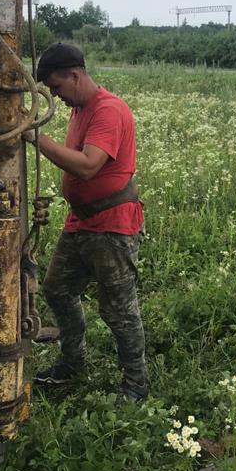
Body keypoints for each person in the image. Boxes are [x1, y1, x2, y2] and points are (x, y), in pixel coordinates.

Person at [25, 42, 148, 401]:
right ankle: (73, 361)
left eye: (57, 87)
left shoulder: (108, 110)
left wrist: (36, 137)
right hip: (82, 222)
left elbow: (88, 165)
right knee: (57, 289)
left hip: (112, 225)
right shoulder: (80, 107)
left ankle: (136, 386)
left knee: (119, 309)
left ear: (75, 76)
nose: (55, 96)